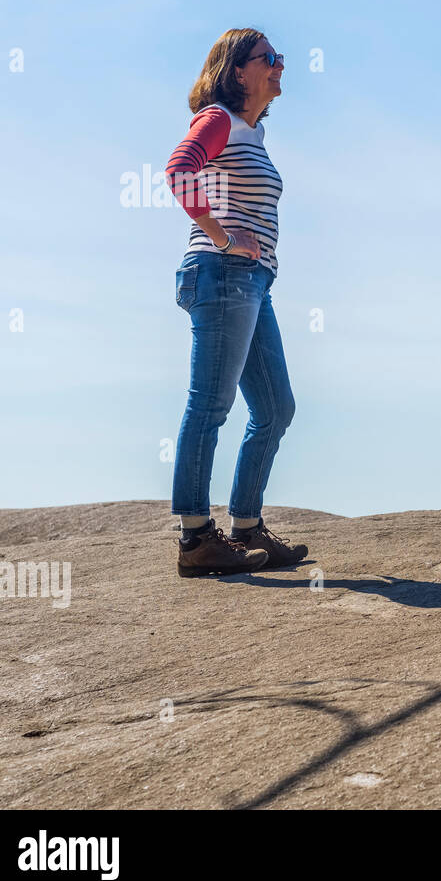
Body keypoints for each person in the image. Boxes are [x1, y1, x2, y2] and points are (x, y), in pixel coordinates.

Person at [167, 28, 306, 577]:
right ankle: (196, 539)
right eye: (267, 58)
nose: (278, 66)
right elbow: (179, 171)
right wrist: (224, 237)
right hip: (222, 272)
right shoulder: (218, 119)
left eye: (279, 58)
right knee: (210, 405)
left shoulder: (253, 133)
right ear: (237, 70)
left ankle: (247, 527)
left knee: (275, 410)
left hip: (251, 281)